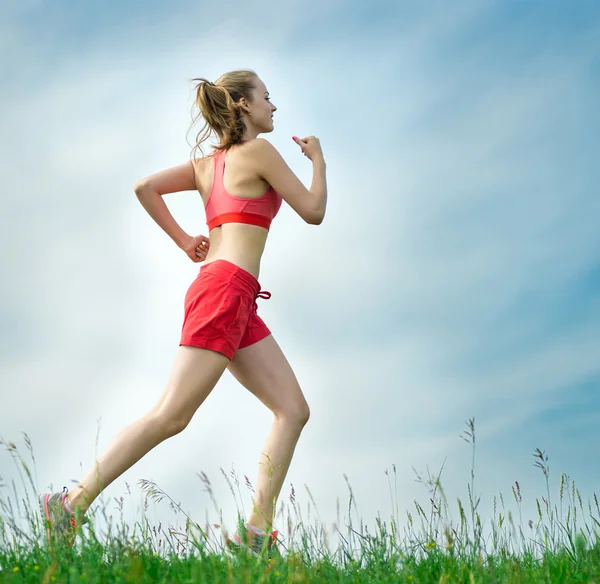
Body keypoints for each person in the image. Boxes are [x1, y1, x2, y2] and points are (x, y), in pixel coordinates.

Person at [39, 69, 328, 558]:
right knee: (172, 414)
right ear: (242, 105)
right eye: (267, 97)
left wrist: (183, 241)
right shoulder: (258, 152)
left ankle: (256, 536)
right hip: (225, 291)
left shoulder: (205, 166)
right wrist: (318, 160)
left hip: (232, 292)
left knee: (293, 410)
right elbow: (313, 210)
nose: (274, 107)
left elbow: (145, 187)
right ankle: (70, 504)